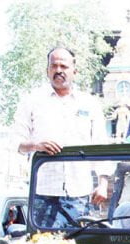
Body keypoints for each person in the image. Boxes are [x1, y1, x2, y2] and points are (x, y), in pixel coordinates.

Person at [14, 47, 110, 228]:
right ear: (47, 70)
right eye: (54, 66)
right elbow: (17, 143)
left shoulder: (89, 104)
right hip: (43, 192)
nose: (58, 70)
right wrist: (36, 145)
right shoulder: (32, 101)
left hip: (79, 194)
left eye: (64, 66)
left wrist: (103, 183)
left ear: (75, 71)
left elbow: (100, 146)